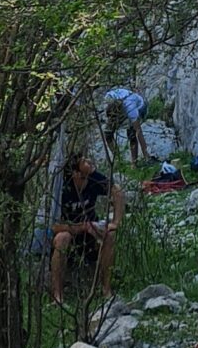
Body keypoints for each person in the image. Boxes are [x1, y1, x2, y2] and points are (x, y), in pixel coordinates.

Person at [52, 148, 124, 305]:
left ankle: (106, 290)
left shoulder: (93, 179)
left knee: (109, 236)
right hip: (70, 232)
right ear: (75, 173)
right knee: (61, 239)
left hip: (91, 232)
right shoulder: (61, 187)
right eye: (83, 175)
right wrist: (82, 227)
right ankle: (57, 295)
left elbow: (117, 192)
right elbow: (53, 226)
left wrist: (115, 223)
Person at [100, 85, 148, 163]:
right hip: (120, 107)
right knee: (107, 133)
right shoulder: (108, 97)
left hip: (138, 107)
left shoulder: (130, 108)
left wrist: (146, 154)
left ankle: (134, 162)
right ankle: (119, 160)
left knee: (132, 134)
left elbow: (139, 132)